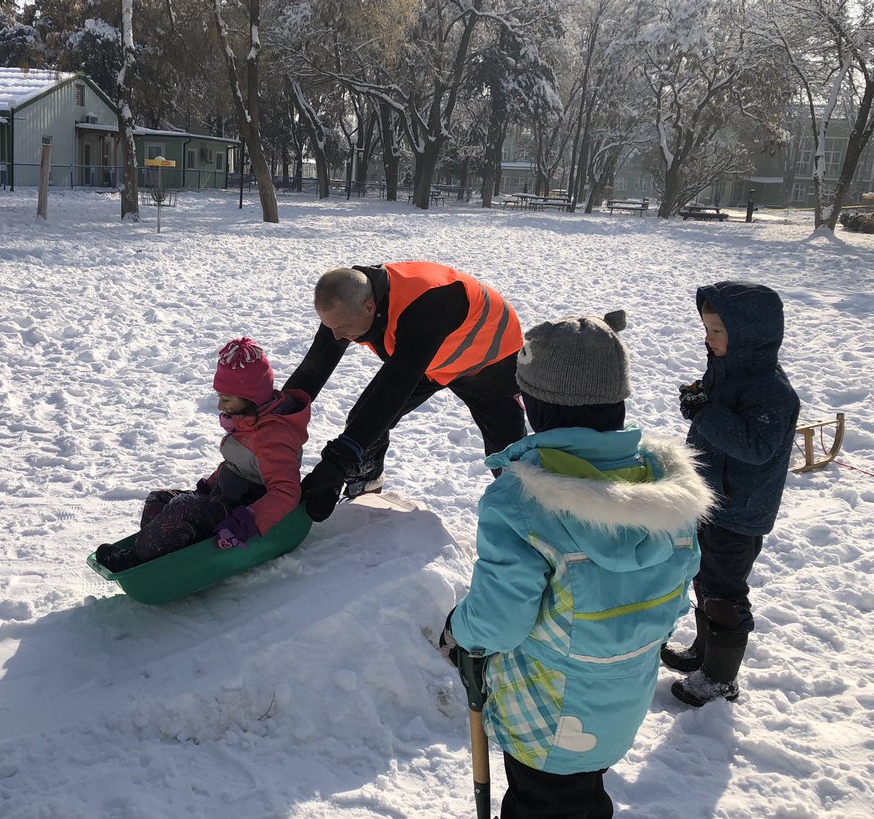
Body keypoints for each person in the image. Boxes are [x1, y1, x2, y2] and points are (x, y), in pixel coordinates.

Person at [440, 310, 713, 818]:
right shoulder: (666, 493)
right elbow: (676, 595)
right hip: (620, 700)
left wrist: (459, 628)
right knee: (583, 795)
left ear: (532, 404)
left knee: (540, 805)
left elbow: (499, 620)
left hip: (542, 714)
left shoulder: (522, 503)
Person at [285, 263, 526, 522]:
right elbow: (315, 367)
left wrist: (338, 461)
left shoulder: (429, 304)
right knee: (362, 423)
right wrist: (277, 416)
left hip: (490, 361)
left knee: (508, 454)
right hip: (430, 360)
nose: (336, 335)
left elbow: (395, 387)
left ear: (370, 307)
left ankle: (530, 514)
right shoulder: (346, 304)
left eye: (342, 328)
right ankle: (366, 485)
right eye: (330, 327)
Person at [661, 282, 800, 706]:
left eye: (718, 330)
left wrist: (705, 411)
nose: (708, 338)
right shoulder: (726, 371)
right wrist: (701, 400)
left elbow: (755, 447)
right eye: (706, 328)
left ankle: (721, 678)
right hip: (711, 499)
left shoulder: (771, 391)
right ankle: (704, 653)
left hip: (740, 511)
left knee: (724, 590)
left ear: (749, 334)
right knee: (703, 578)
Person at [95, 338, 311, 572]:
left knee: (183, 507)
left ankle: (139, 560)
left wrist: (246, 521)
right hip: (224, 498)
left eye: (226, 399)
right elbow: (238, 463)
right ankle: (153, 555)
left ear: (250, 398)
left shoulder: (274, 438)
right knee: (158, 499)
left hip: (241, 511)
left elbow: (286, 492)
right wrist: (210, 484)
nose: (219, 406)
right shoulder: (248, 420)